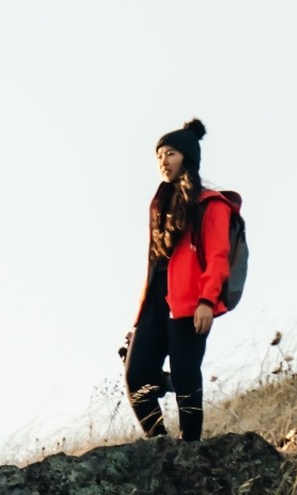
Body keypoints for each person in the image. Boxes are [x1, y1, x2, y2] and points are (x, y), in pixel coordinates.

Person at [123, 118, 239, 442]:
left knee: (187, 379)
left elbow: (217, 258)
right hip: (156, 303)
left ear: (186, 157)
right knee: (136, 379)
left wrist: (206, 301)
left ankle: (190, 451)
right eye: (159, 155)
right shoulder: (160, 207)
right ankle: (159, 445)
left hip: (190, 304)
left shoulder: (211, 205)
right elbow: (154, 267)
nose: (163, 160)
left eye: (170, 153)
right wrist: (138, 321)